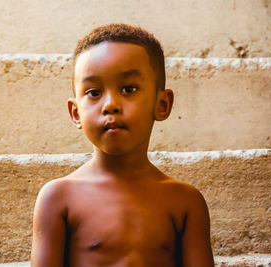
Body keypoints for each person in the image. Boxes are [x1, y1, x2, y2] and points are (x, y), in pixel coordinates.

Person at [31, 23, 214, 267]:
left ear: (162, 104)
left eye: (129, 89)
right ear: (76, 113)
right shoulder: (58, 198)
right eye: (94, 92)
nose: (110, 105)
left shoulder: (185, 202)